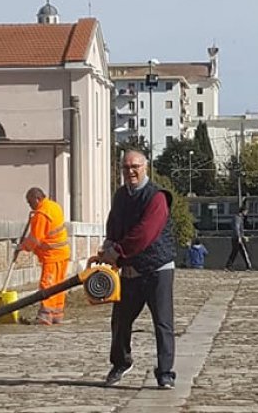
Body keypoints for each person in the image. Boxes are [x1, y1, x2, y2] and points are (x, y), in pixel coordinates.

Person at [87, 150, 177, 389]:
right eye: (126, 167)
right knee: (120, 321)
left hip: (158, 267)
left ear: (145, 167)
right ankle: (121, 363)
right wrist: (107, 246)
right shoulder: (120, 196)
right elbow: (114, 224)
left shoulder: (157, 197)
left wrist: (117, 252)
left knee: (163, 323)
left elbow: (144, 233)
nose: (131, 171)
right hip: (131, 271)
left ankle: (165, 372)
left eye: (135, 166)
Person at [16, 187, 71, 325]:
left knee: (47, 284)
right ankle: (57, 313)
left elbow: (35, 239)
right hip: (63, 252)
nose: (29, 205)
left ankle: (45, 315)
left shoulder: (41, 214)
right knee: (59, 285)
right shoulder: (54, 206)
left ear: (37, 199)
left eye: (30, 202)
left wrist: (22, 246)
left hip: (52, 255)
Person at [225, 206, 253, 271]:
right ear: (243, 211)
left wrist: (243, 236)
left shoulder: (239, 218)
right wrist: (239, 237)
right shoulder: (237, 218)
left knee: (235, 252)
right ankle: (248, 266)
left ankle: (228, 265)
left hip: (236, 237)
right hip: (237, 238)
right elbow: (236, 228)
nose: (246, 213)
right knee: (243, 252)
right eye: (246, 211)